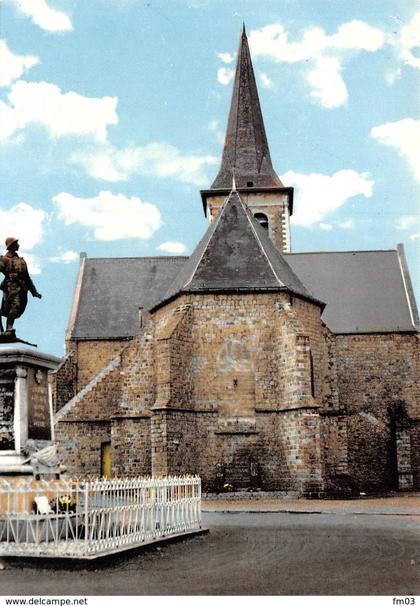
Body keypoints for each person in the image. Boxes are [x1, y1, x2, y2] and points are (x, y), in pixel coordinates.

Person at [0, 237, 42, 335]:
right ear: (12, 246)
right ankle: (9, 328)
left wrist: (34, 292)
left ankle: (8, 330)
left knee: (19, 308)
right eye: (16, 244)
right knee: (14, 306)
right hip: (10, 288)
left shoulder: (21, 261)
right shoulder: (4, 260)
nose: (18, 245)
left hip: (22, 289)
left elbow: (27, 278)